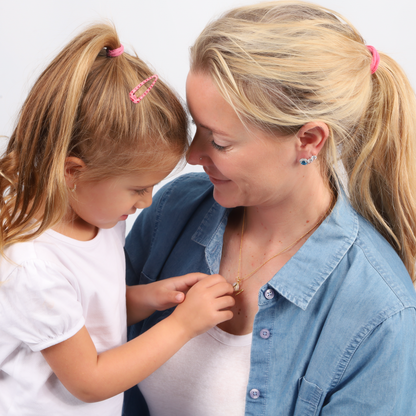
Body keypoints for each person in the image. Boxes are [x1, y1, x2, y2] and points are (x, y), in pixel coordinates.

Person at [123, 1, 416, 415]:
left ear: (310, 140)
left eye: (219, 141)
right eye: (197, 127)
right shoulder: (171, 211)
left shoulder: (380, 315)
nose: (192, 155)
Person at [0, 23, 235, 416]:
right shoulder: (34, 266)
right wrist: (182, 326)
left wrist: (148, 298)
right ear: (73, 172)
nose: (147, 202)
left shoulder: (99, 214)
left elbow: (87, 316)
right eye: (138, 188)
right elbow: (89, 381)